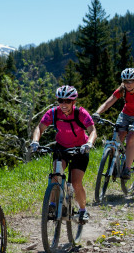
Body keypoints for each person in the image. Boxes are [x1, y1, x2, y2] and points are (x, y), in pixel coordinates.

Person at [30, 85, 97, 224]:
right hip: (62, 148)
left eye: (67, 101)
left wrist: (89, 144)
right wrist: (35, 141)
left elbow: (93, 131)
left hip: (80, 149)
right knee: (56, 175)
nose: (64, 104)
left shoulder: (81, 113)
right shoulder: (53, 113)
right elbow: (39, 128)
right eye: (61, 100)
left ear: (74, 102)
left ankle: (83, 210)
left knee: (76, 182)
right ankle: (53, 206)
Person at [92, 68, 134, 180]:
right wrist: (97, 113)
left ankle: (127, 169)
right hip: (126, 115)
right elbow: (107, 102)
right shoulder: (122, 89)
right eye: (125, 81)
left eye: (131, 81)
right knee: (117, 137)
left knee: (130, 139)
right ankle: (114, 161)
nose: (128, 84)